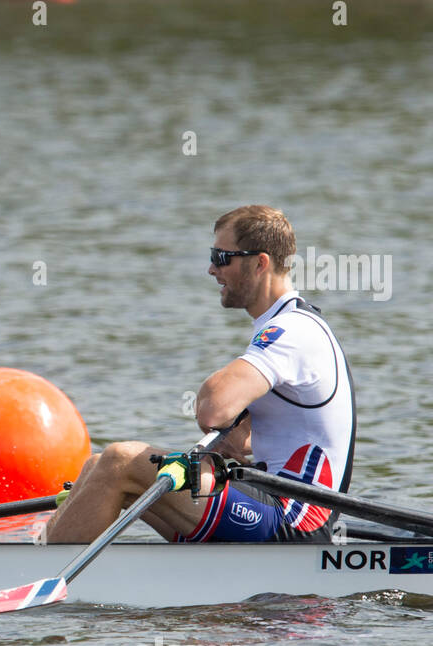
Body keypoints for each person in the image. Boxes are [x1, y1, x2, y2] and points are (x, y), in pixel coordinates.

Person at [46, 205, 355, 544]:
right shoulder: (292, 324)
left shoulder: (293, 331)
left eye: (222, 257)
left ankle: (34, 573)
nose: (211, 269)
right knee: (97, 466)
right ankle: (44, 552)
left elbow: (212, 408)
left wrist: (223, 417)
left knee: (121, 461)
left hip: (296, 520)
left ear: (259, 263)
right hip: (271, 499)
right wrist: (237, 436)